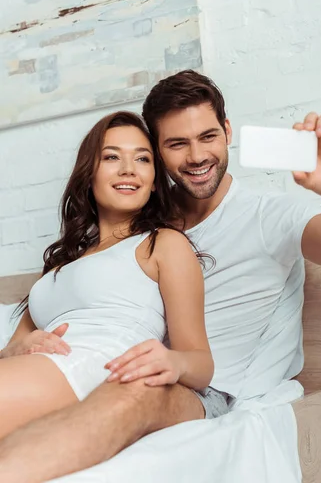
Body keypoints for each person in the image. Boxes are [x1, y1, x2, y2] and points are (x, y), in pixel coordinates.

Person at [0, 71, 321, 483]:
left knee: (134, 390)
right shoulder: (136, 228)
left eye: (208, 136)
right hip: (120, 365)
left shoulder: (266, 217)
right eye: (175, 144)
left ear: (227, 130)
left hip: (207, 390)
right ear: (159, 153)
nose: (196, 156)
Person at [0, 110, 215, 442]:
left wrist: (172, 362)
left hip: (97, 367)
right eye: (112, 156)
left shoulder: (162, 244)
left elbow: (200, 362)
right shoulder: (59, 266)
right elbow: (12, 347)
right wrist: (18, 348)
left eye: (142, 159)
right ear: (89, 174)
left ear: (155, 180)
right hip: (40, 367)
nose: (128, 169)